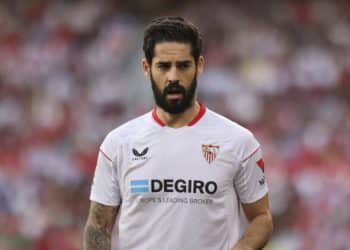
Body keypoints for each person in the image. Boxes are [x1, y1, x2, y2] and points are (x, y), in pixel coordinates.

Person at [83, 16, 273, 250]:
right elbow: (98, 225)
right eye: (163, 66)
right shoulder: (118, 143)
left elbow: (261, 218)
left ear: (199, 66)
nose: (173, 77)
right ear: (146, 68)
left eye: (183, 65)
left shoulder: (238, 142)